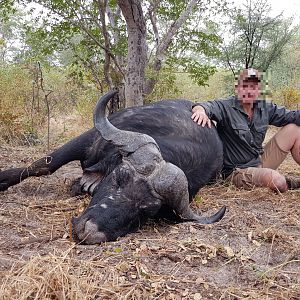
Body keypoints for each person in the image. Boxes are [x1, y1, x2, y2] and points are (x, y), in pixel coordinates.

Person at [191, 68, 300, 192]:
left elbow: (293, 116)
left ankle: (271, 176)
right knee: (278, 182)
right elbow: (205, 106)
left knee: (295, 129)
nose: (249, 91)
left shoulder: (264, 107)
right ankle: (288, 182)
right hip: (237, 171)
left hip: (259, 161)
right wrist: (200, 110)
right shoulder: (226, 106)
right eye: (245, 86)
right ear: (237, 88)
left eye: (254, 87)